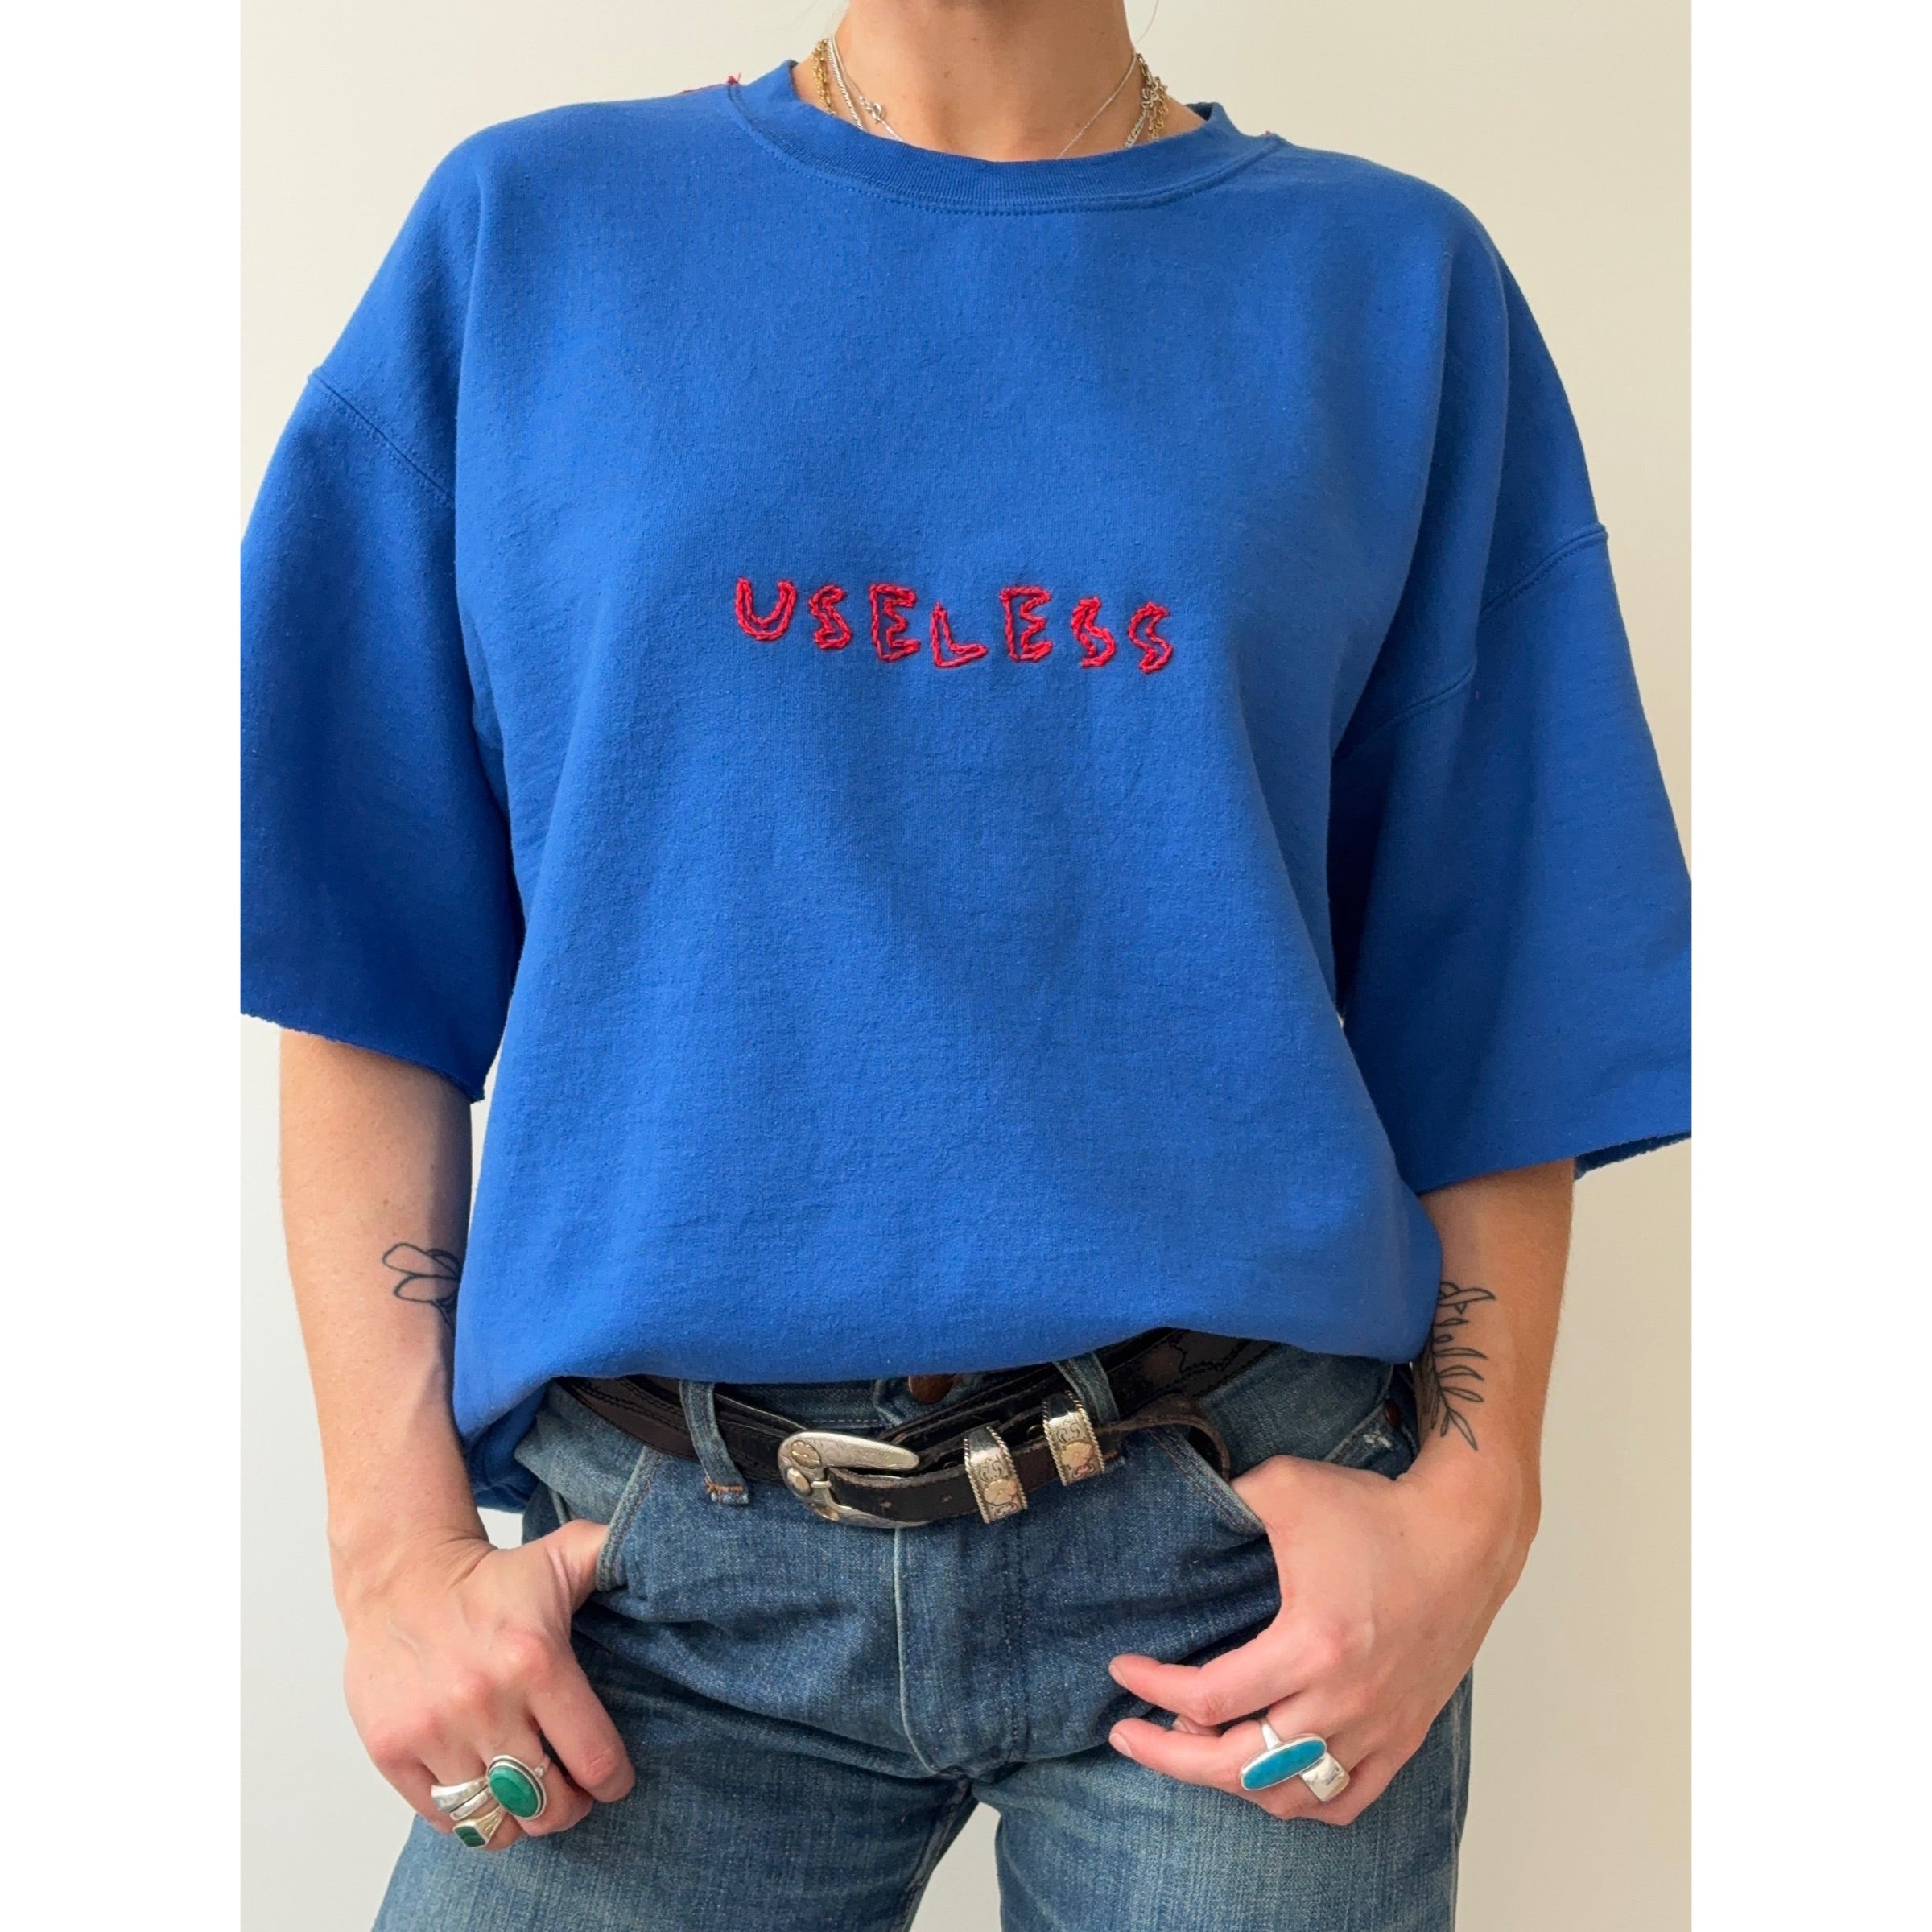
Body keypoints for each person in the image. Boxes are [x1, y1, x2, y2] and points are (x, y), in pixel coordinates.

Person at [243, 2, 1690, 1926]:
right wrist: (391, 1554)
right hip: (646, 1603)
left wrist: (1477, 1511)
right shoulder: (531, 238)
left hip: (1238, 1572)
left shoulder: (1388, 285)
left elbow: (1507, 968)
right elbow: (362, 934)